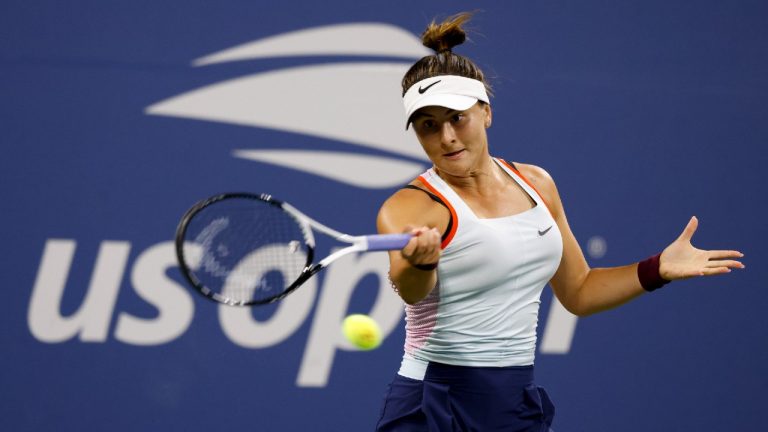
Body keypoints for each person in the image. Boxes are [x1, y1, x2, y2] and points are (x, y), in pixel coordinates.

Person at [374, 12, 745, 432]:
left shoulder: (536, 184)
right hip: (433, 402)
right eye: (428, 126)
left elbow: (579, 292)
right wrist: (422, 261)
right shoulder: (410, 207)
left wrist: (656, 268)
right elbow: (410, 288)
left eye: (457, 117)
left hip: (512, 402)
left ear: (486, 112)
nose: (446, 137)